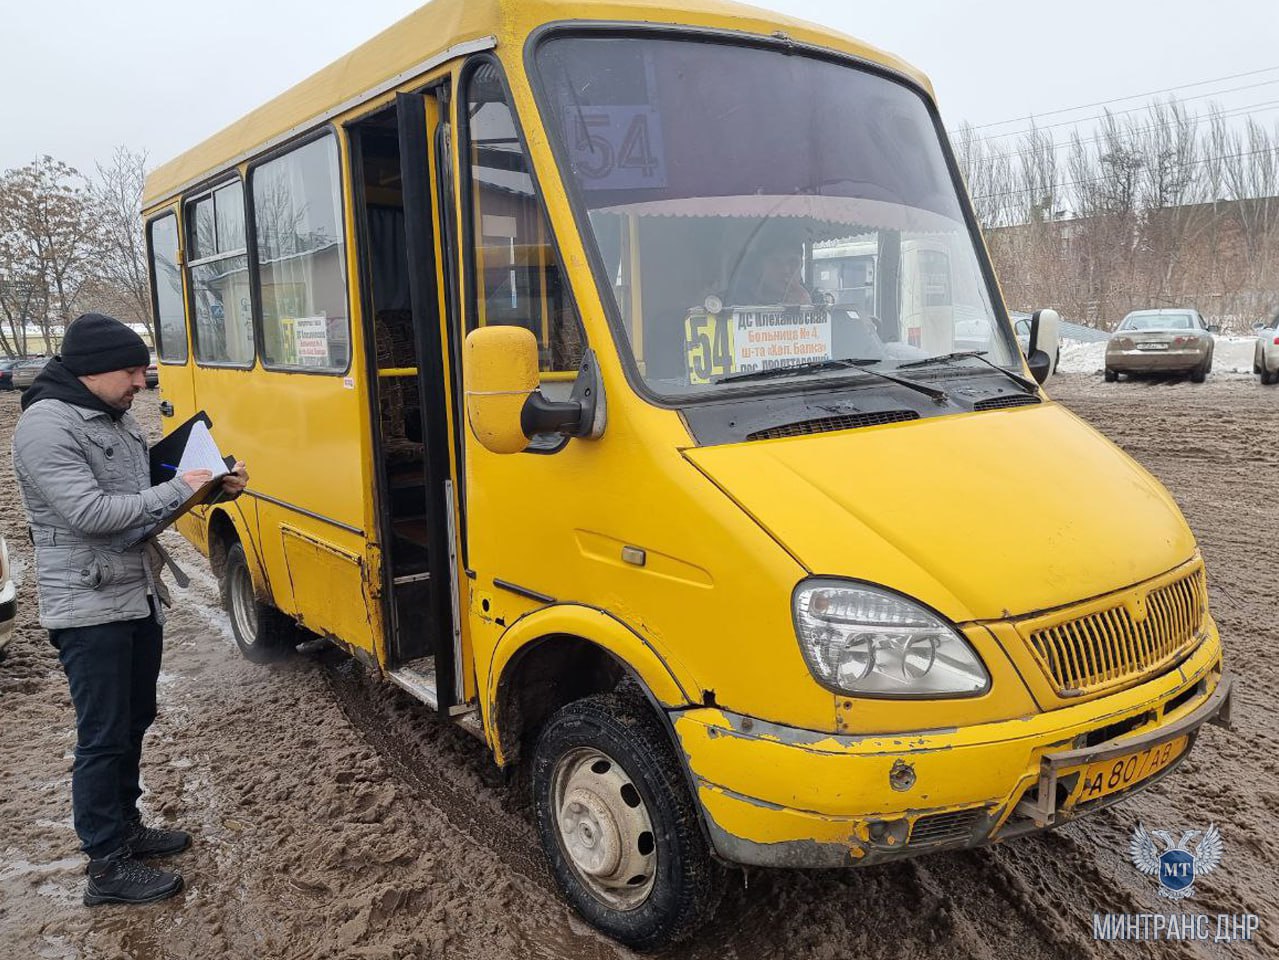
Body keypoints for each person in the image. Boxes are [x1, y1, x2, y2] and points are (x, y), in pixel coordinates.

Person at [11, 313, 248, 906]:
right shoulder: (46, 427)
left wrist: (208, 486)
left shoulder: (114, 419)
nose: (143, 383)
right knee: (103, 735)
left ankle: (127, 828)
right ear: (93, 370)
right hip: (88, 606)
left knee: (135, 717)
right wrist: (179, 485)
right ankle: (106, 866)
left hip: (134, 592)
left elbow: (143, 506)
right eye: (133, 372)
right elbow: (92, 514)